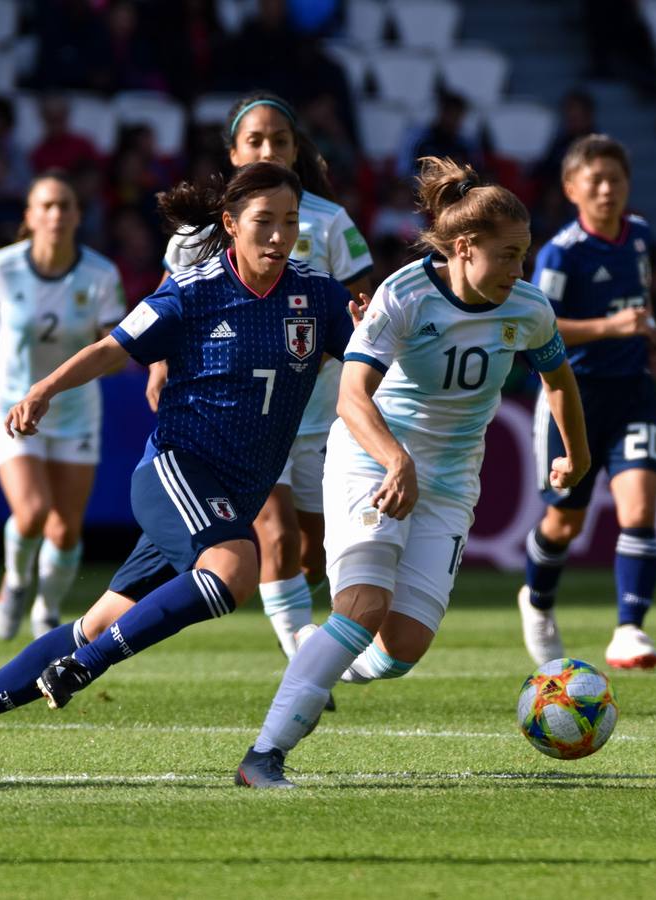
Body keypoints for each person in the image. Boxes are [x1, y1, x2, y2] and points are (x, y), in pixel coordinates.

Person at [0, 161, 357, 770]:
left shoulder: (316, 295)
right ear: (230, 224)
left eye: (290, 222)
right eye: (264, 222)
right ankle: (86, 669)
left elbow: (372, 358)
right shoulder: (195, 291)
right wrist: (44, 389)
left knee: (101, 621)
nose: (279, 236)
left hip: (230, 494)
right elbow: (111, 349)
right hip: (177, 473)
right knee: (236, 568)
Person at [234, 157, 589, 788]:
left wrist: (578, 454)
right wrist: (396, 458)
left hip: (450, 485)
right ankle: (264, 755)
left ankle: (317, 660)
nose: (519, 270)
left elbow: (558, 378)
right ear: (463, 247)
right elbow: (350, 396)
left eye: (523, 255)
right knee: (364, 603)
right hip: (373, 461)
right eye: (506, 255)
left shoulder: (529, 309)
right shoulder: (404, 294)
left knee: (399, 652)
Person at [152, 91, 373, 674]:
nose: (268, 148)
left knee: (313, 552)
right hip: (243, 418)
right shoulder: (197, 235)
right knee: (271, 538)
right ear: (232, 152)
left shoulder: (327, 221)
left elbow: (363, 304)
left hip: (322, 409)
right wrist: (156, 367)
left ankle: (297, 627)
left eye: (279, 139)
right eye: (255, 140)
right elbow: (161, 312)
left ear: (297, 150)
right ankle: (305, 661)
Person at [0, 172, 127, 640]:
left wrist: (127, 358)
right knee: (33, 512)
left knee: (65, 529)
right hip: (10, 402)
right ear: (29, 216)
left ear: (78, 216)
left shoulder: (100, 274)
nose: (56, 214)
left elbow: (116, 343)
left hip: (75, 410)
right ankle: (16, 582)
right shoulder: (2, 267)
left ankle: (48, 605)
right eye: (46, 206)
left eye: (65, 205)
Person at [518, 134, 656, 673]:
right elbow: (540, 325)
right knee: (565, 524)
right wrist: (611, 327)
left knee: (640, 511)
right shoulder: (562, 252)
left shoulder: (639, 237)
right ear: (572, 188)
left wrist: (650, 330)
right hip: (573, 401)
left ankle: (630, 630)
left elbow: (640, 300)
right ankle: (536, 601)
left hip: (633, 391)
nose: (608, 190)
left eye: (617, 180)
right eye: (596, 180)